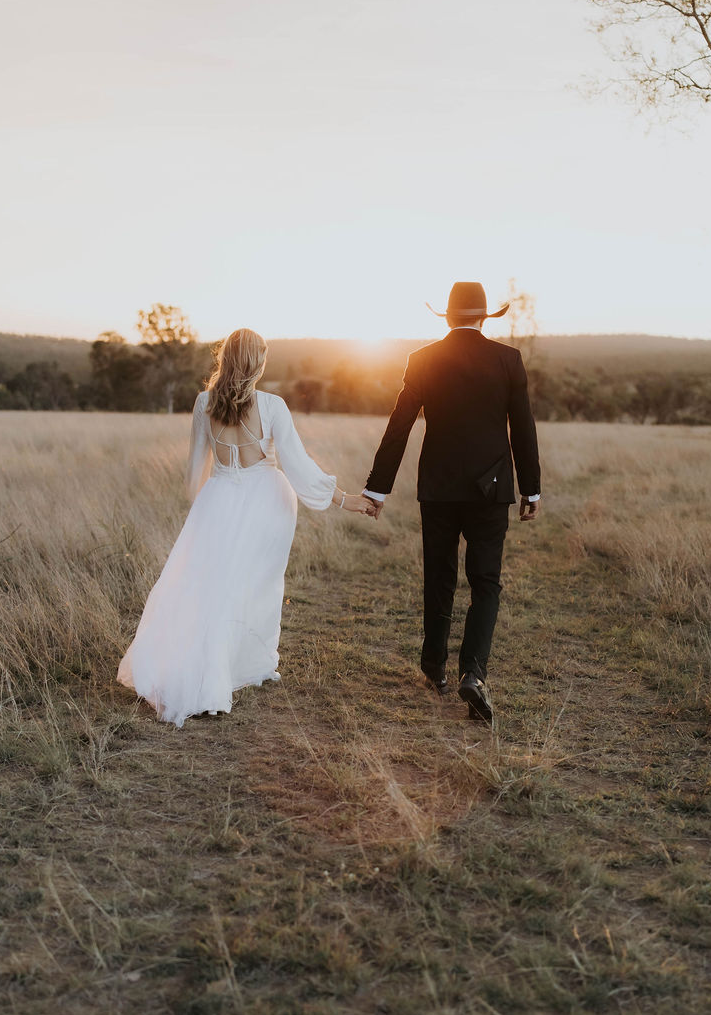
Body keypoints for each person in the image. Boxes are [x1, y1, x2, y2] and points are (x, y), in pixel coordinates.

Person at [118, 328, 372, 725]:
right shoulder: (272, 405)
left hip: (217, 499)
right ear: (257, 362)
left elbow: (193, 475)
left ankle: (224, 666)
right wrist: (345, 500)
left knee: (212, 587)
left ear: (226, 359)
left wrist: (209, 509)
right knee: (257, 586)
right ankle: (242, 667)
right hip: (267, 502)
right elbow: (299, 468)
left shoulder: (203, 403)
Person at [362, 282, 541, 725]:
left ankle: (434, 667)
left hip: (438, 488)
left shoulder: (422, 359)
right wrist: (531, 489)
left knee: (439, 575)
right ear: (483, 316)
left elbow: (400, 425)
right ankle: (473, 674)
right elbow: (523, 427)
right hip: (491, 490)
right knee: (486, 582)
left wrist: (377, 489)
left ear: (447, 316)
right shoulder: (508, 359)